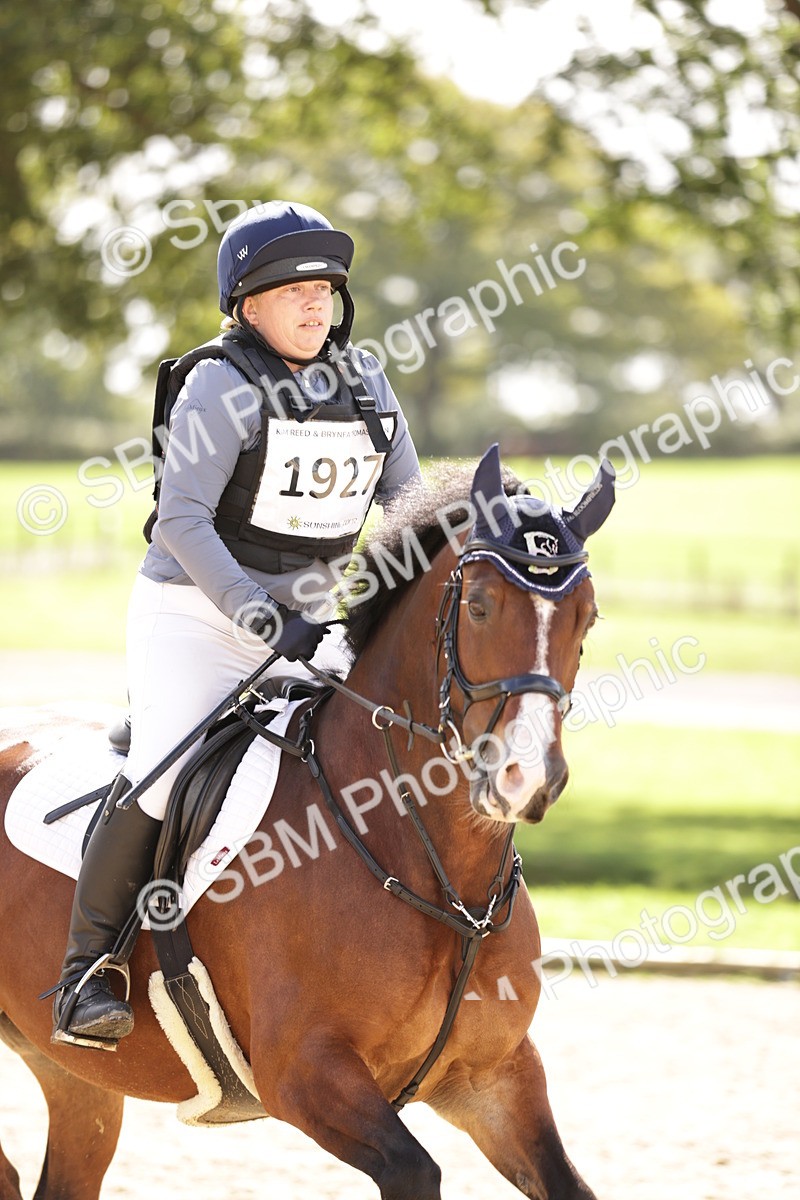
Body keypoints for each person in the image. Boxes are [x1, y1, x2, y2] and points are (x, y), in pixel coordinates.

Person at [49, 201, 421, 1050]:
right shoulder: (221, 381)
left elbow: (407, 510)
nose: (316, 302)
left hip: (311, 624)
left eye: (326, 287)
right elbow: (181, 518)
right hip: (195, 613)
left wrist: (501, 517)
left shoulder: (366, 383)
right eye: (294, 288)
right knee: (163, 775)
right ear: (247, 303)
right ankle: (88, 970)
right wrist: (261, 614)